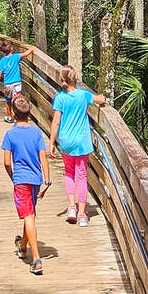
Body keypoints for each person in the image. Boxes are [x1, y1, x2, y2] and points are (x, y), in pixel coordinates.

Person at [48, 65, 106, 227]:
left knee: (69, 173)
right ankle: (82, 214)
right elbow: (99, 100)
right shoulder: (83, 95)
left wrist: (52, 142)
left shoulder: (60, 97)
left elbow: (56, 121)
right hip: (81, 142)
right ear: (76, 78)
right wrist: (102, 98)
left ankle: (71, 208)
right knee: (81, 175)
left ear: (62, 80)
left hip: (66, 141)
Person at [1, 95, 51, 275]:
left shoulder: (10, 134)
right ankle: (22, 246)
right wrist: (47, 180)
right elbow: (43, 158)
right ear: (29, 114)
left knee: (28, 215)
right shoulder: (36, 133)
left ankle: (36, 260)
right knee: (29, 212)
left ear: (13, 114)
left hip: (21, 179)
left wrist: (13, 177)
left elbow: (7, 162)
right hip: (36, 180)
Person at [0, 40, 33, 123]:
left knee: (8, 101)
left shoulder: (2, 61)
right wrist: (31, 49)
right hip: (17, 83)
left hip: (7, 85)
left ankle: (10, 116)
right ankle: (19, 116)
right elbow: (25, 54)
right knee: (17, 100)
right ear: (11, 49)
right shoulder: (16, 57)